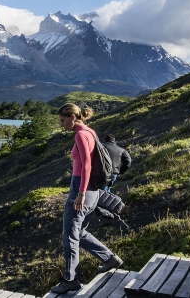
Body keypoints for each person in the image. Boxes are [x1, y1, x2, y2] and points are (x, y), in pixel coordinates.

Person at [50, 103, 123, 294]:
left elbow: (88, 166)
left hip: (82, 188)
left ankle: (70, 280)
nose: (62, 124)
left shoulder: (81, 134)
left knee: (69, 235)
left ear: (73, 117)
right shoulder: (90, 131)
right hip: (92, 190)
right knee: (79, 232)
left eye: (63, 120)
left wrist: (80, 193)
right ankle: (109, 258)